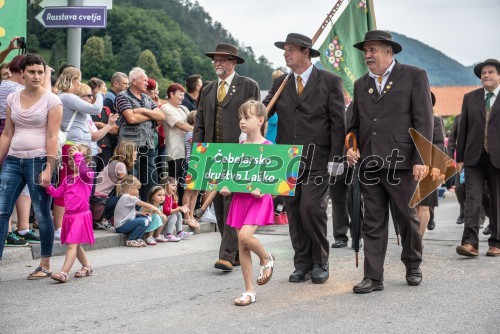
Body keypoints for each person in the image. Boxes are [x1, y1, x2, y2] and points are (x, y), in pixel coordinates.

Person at [347, 30, 433, 293]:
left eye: (373, 50)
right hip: (370, 164)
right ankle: (374, 277)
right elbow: (354, 125)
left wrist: (421, 158)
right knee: (372, 220)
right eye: (365, 51)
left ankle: (412, 264)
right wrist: (351, 147)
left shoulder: (414, 76)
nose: (368, 55)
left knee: (407, 217)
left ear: (388, 52)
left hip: (403, 162)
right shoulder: (361, 84)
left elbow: (423, 120)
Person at [263, 33, 345, 284]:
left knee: (312, 208)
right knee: (295, 211)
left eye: (291, 50)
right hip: (287, 159)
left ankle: (320, 261)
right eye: (284, 50)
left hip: (319, 158)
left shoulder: (330, 81)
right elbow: (263, 111)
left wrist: (336, 156)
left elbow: (337, 123)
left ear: (306, 53)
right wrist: (251, 113)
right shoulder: (281, 84)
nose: (286, 54)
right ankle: (302, 263)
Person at [193, 43, 260, 272]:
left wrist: (251, 150)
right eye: (215, 59)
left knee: (232, 202)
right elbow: (200, 123)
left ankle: (226, 255)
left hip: (239, 153)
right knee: (219, 206)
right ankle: (237, 252)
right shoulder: (208, 89)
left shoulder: (248, 86)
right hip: (213, 155)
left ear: (233, 62)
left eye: (222, 59)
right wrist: (197, 154)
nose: (218, 63)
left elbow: (257, 120)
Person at [0, 53, 62, 279]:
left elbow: (53, 137)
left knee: (43, 214)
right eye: (32, 72)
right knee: (2, 211)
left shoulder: (52, 101)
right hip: (14, 160)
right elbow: (7, 133)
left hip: (39, 160)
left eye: (40, 72)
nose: (36, 76)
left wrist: (48, 167)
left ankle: (45, 263)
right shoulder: (12, 99)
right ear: (22, 74)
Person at [219, 100, 275, 306]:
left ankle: (266, 257)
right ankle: (249, 290)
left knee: (244, 236)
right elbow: (231, 177)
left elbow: (275, 180)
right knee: (242, 245)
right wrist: (226, 188)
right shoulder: (239, 147)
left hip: (259, 200)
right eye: (240, 118)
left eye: (247, 117)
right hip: (240, 198)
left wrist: (265, 187)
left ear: (260, 120)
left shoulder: (269, 147)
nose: (242, 121)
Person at [456, 59, 500, 257]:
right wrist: (460, 158)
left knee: (497, 199)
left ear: (499, 75)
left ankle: (496, 242)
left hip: (498, 157)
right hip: (474, 158)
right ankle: (470, 243)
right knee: (472, 198)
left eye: (491, 72)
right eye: (483, 73)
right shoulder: (470, 98)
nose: (486, 75)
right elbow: (462, 129)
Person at [53, 67, 104, 240]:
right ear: (73, 80)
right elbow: (96, 108)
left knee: (73, 186)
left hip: (76, 145)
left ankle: (64, 225)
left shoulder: (65, 97)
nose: (80, 84)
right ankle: (58, 227)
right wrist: (101, 94)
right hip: (71, 146)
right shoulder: (68, 97)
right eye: (79, 80)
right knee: (67, 186)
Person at [42, 144, 95, 283]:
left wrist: (77, 155)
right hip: (69, 216)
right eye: (71, 158)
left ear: (87, 161)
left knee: (71, 244)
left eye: (77, 157)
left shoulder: (88, 175)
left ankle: (64, 273)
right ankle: (87, 266)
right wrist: (48, 186)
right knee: (75, 245)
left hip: (81, 215)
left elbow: (82, 170)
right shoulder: (68, 179)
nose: (73, 160)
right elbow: (57, 193)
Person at [114, 67, 165, 201]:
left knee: (151, 178)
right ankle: (132, 209)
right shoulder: (122, 96)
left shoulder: (147, 99)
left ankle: (148, 208)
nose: (147, 83)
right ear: (134, 81)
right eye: (145, 80)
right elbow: (131, 119)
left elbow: (161, 116)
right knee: (131, 179)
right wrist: (150, 115)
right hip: (130, 146)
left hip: (149, 145)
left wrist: (142, 110)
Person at [417, 92, 446, 236]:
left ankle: (417, 242)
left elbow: (439, 146)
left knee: (424, 206)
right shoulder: (404, 120)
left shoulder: (436, 121)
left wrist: (438, 168)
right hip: (407, 168)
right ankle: (409, 239)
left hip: (428, 170)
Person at [161, 83, 192, 201]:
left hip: (186, 151)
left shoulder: (182, 109)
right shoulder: (166, 108)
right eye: (180, 95)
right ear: (171, 94)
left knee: (184, 182)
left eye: (183, 95)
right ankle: (171, 205)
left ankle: (181, 208)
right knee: (174, 181)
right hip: (174, 151)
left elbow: (190, 122)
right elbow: (181, 125)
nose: (182, 98)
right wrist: (199, 131)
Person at [113, 175, 163, 247]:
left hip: (126, 223)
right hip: (121, 226)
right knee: (144, 221)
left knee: (148, 218)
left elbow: (129, 212)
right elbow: (145, 205)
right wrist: (156, 209)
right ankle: (131, 239)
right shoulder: (128, 197)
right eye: (137, 189)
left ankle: (138, 238)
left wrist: (141, 213)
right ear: (132, 188)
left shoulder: (127, 197)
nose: (138, 191)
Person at [181, 110, 200, 230]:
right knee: (189, 191)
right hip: (191, 163)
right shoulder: (191, 133)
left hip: (198, 164)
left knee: (196, 191)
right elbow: (197, 145)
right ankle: (186, 215)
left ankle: (191, 214)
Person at [162, 176, 192, 242]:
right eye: (173, 185)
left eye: (176, 186)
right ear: (166, 185)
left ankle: (179, 233)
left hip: (166, 217)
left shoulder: (172, 196)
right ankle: (168, 234)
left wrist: (181, 208)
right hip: (162, 218)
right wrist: (179, 209)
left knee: (178, 214)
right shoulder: (164, 197)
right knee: (173, 216)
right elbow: (166, 211)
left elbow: (175, 208)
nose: (175, 188)